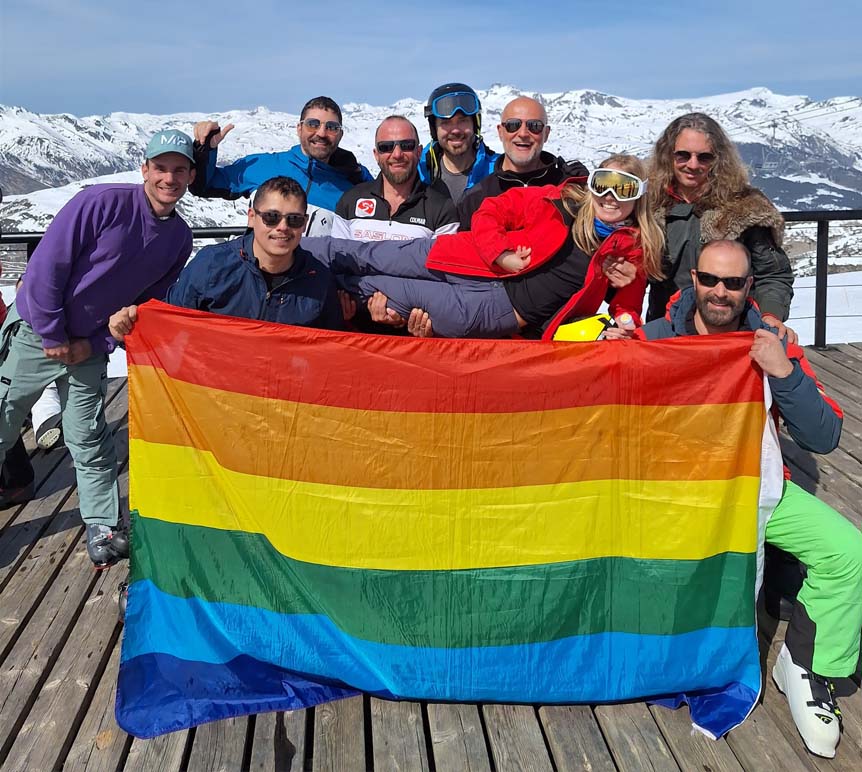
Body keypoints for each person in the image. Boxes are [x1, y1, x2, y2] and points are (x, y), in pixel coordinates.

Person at [614, 239, 861, 760]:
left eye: (733, 283)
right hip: (673, 495)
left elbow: (824, 434)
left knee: (846, 552)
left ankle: (808, 666)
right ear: (693, 283)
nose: (719, 293)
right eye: (709, 280)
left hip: (758, 486)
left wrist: (784, 372)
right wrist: (613, 351)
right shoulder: (656, 336)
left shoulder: (772, 340)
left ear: (750, 287)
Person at [0, 129, 196, 566]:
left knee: (88, 434)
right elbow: (48, 265)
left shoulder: (178, 238)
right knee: (3, 421)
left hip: (86, 347)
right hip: (36, 332)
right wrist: (52, 336)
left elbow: (145, 304)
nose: (169, 178)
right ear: (144, 169)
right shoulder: (101, 202)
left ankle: (103, 526)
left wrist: (98, 342)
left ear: (190, 176)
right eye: (161, 167)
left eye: (179, 169)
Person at [302, 155, 663, 340]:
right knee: (366, 254)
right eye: (604, 184)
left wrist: (625, 319)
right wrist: (500, 254)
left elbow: (627, 307)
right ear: (592, 184)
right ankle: (286, 254)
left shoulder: (631, 251)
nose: (611, 197)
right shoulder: (558, 200)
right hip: (463, 256)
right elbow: (490, 210)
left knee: (379, 289)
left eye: (625, 188)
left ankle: (300, 284)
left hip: (496, 310)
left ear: (640, 196)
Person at [646, 113, 795, 336]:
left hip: (733, 332)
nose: (692, 165)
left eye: (704, 157)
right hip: (667, 329)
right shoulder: (648, 207)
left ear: (717, 160)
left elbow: (773, 274)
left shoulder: (745, 208)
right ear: (668, 156)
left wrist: (770, 315)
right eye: (683, 155)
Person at [160, 176, 343, 330]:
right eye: (271, 217)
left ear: (304, 223)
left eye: (294, 219)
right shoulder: (211, 265)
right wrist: (135, 317)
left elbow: (330, 349)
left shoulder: (318, 281)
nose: (283, 227)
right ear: (252, 217)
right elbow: (168, 322)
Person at [190, 96, 372, 235]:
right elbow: (204, 185)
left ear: (340, 135)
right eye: (312, 124)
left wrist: (358, 173)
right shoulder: (262, 166)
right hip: (260, 277)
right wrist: (205, 149)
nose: (321, 133)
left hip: (318, 281)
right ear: (299, 128)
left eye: (331, 127)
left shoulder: (351, 186)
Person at [458, 96, 588, 230]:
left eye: (534, 126)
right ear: (500, 132)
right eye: (513, 125)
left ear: (546, 133)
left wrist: (588, 192)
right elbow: (462, 248)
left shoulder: (569, 189)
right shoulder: (475, 199)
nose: (523, 133)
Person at [332, 116, 459, 241]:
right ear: (376, 155)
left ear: (419, 152)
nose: (397, 154)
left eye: (407, 145)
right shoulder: (350, 201)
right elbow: (338, 256)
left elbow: (440, 260)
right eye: (386, 147)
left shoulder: (441, 209)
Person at [418, 83, 498, 204]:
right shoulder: (419, 172)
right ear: (434, 129)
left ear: (475, 125)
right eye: (446, 122)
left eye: (463, 121)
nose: (455, 130)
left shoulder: (499, 171)